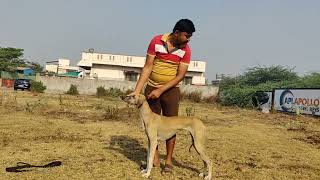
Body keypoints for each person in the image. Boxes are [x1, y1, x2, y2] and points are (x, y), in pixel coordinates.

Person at [128, 19, 195, 173]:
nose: (188, 39)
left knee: (172, 125)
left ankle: (169, 161)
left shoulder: (186, 50)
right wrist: (137, 91)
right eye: (187, 35)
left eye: (190, 36)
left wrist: (161, 90)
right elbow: (147, 67)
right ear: (177, 33)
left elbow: (180, 76)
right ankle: (155, 158)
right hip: (151, 88)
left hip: (171, 90)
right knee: (151, 126)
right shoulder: (156, 41)